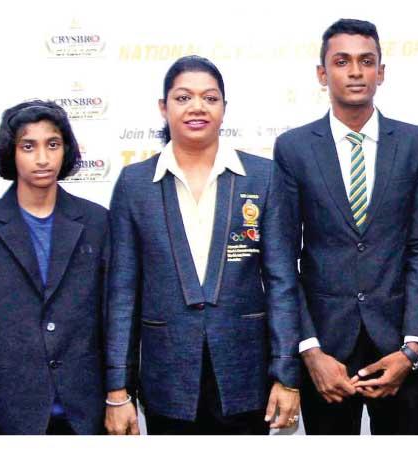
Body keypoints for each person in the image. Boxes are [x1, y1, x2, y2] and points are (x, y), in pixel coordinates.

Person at [105, 55, 300, 435]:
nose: (197, 107)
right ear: (164, 108)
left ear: (225, 108)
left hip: (245, 374)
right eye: (183, 98)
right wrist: (117, 389)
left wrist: (287, 375)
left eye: (210, 98)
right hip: (167, 379)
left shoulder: (263, 177)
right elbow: (122, 293)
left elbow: (282, 284)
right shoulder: (135, 184)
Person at [272, 18, 418, 435]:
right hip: (326, 351)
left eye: (367, 61)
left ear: (382, 71)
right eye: (342, 61)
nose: (356, 72)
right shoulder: (293, 149)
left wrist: (413, 348)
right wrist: (308, 350)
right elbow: (282, 258)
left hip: (396, 345)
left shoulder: (417, 144)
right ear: (322, 74)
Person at [0, 100, 109, 434]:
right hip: (11, 417)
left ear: (67, 150)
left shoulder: (97, 222)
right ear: (10, 152)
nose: (43, 159)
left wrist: (119, 396)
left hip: (86, 414)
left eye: (53, 144)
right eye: (28, 146)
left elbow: (114, 322)